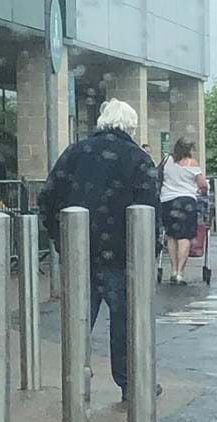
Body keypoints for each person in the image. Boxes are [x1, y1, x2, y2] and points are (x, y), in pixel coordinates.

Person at [38, 98, 161, 403]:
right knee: (126, 323)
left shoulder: (75, 153)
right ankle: (130, 383)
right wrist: (149, 250)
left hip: (80, 251)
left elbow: (48, 197)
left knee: (78, 321)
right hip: (122, 254)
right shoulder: (138, 159)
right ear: (130, 127)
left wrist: (60, 237)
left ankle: (75, 381)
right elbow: (150, 210)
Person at [159, 137, 208, 285]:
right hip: (186, 202)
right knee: (184, 237)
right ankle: (180, 273)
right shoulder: (191, 163)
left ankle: (173, 270)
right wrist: (202, 191)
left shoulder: (167, 161)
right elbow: (203, 185)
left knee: (171, 236)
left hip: (167, 201)